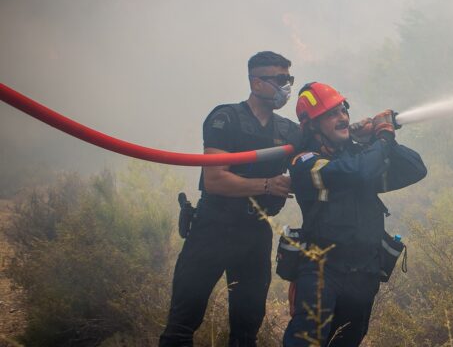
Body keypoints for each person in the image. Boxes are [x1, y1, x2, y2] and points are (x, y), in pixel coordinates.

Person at [159, 51, 301, 346]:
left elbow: (323, 149)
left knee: (247, 331)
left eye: (288, 79)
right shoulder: (226, 118)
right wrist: (267, 185)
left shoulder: (288, 130)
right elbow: (214, 180)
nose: (285, 86)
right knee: (182, 325)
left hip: (255, 234)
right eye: (278, 79)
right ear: (256, 82)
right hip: (213, 228)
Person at [283, 82, 427, 346]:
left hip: (363, 274)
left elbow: (416, 168)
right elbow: (355, 172)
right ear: (312, 126)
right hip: (322, 272)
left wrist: (377, 139)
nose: (343, 118)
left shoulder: (359, 154)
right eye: (332, 114)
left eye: (343, 110)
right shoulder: (305, 162)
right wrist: (382, 139)